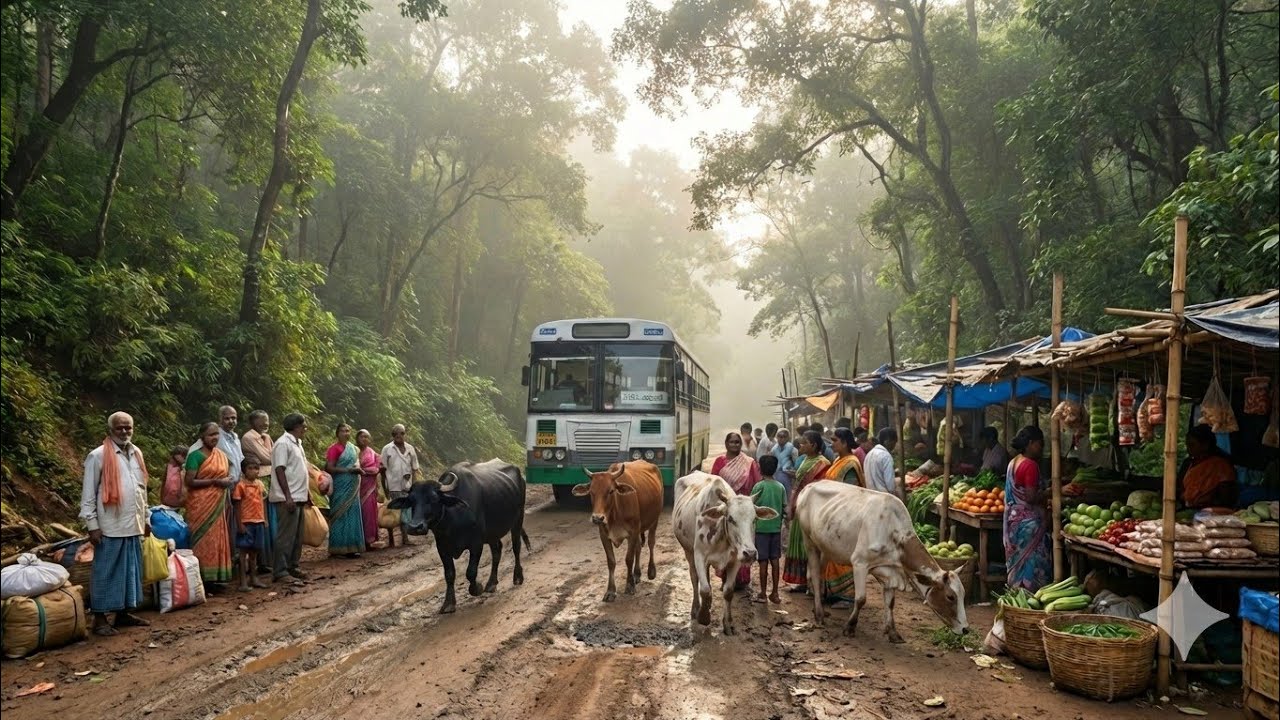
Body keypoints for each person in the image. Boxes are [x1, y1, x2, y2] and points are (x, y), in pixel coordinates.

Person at [79, 411, 151, 636]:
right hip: (110, 525)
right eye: (119, 428)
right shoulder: (97, 456)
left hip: (133, 523)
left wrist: (146, 518)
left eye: (128, 427)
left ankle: (123, 613)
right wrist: (92, 525)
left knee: (130, 571)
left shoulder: (136, 453)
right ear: (110, 429)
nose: (124, 432)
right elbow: (88, 494)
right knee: (105, 573)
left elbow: (142, 490)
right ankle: (99, 620)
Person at [185, 421, 235, 585]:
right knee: (201, 538)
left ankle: (216, 577)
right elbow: (190, 481)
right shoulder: (195, 455)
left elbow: (225, 476)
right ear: (202, 436)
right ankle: (199, 577)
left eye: (216, 434)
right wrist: (215, 481)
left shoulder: (220, 455)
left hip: (219, 501)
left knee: (217, 537)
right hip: (200, 504)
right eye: (211, 434)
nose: (215, 437)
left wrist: (226, 481)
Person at [712, 431, 762, 590]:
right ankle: (726, 579)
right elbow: (713, 484)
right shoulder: (719, 461)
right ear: (726, 444)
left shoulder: (749, 462)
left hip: (744, 508)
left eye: (737, 442)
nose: (735, 445)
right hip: (728, 509)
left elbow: (756, 483)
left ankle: (741, 580)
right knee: (725, 543)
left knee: (744, 540)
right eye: (732, 442)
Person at [782, 430, 831, 591]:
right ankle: (802, 581)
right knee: (798, 544)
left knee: (810, 548)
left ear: (814, 445)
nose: (800, 445)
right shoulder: (804, 460)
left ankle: (812, 583)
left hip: (812, 510)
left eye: (804, 442)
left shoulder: (822, 463)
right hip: (799, 508)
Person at [1004, 425, 1051, 591]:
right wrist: (1054, 491)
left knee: (1019, 561)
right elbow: (1031, 497)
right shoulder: (1030, 465)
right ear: (1031, 443)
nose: (1042, 447)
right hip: (1029, 525)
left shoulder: (1013, 462)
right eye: (1040, 443)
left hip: (1014, 522)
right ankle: (1032, 595)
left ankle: (1017, 593)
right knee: (1032, 562)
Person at [271, 413, 311, 583]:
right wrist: (288, 496)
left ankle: (293, 566)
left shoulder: (298, 443)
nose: (305, 429)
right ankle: (280, 571)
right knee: (286, 536)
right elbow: (280, 470)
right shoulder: (282, 443)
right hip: (288, 497)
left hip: (299, 495)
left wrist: (307, 493)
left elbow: (298, 470)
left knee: (297, 536)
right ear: (296, 427)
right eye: (303, 426)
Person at [241, 410, 275, 575]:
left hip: (268, 480)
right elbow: (267, 458)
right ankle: (260, 562)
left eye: (267, 420)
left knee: (268, 520)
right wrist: (271, 457)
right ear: (253, 422)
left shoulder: (267, 437)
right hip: (257, 481)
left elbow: (271, 456)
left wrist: (271, 457)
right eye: (262, 421)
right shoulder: (248, 438)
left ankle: (268, 560)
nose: (266, 424)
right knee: (258, 518)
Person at [325, 423, 365, 558]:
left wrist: (356, 470)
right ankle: (337, 549)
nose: (346, 433)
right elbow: (329, 468)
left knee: (353, 514)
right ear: (337, 433)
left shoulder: (354, 449)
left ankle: (351, 548)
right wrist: (349, 470)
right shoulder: (334, 449)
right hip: (340, 485)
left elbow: (357, 463)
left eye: (348, 431)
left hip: (353, 485)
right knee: (339, 514)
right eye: (343, 431)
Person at [751, 454, 786, 605]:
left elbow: (751, 506)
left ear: (760, 468)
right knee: (775, 561)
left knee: (763, 562)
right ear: (776, 468)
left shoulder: (758, 487)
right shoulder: (780, 487)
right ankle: (776, 593)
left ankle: (763, 594)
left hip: (761, 530)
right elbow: (784, 508)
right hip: (776, 529)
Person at [1178, 424, 1239, 508]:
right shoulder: (1188, 463)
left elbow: (1226, 498)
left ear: (1205, 445)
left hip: (1212, 513)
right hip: (1187, 510)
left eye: (1192, 445)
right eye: (1187, 445)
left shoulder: (1220, 465)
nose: (1188, 449)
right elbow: (1179, 487)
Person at [232, 458, 271, 591]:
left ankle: (254, 578)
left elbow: (263, 502)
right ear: (244, 470)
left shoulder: (260, 485)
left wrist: (264, 518)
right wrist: (240, 524)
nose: (254, 471)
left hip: (258, 521)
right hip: (246, 522)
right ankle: (243, 582)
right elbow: (237, 506)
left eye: (256, 468)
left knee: (255, 552)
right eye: (250, 468)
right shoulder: (240, 486)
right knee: (243, 553)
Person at [380, 424, 421, 547]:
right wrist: (385, 487)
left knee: (406, 512)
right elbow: (382, 470)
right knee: (393, 513)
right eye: (396, 434)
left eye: (402, 433)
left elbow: (414, 469)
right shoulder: (387, 449)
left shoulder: (410, 448)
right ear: (392, 435)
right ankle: (391, 539)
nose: (399, 436)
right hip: (392, 485)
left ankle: (405, 538)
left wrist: (414, 485)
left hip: (407, 485)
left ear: (405, 434)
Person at [356, 429, 381, 551]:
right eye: (361, 437)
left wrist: (366, 470)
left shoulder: (373, 453)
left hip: (369, 488)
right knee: (357, 514)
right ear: (357, 439)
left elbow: (377, 468)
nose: (364, 439)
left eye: (366, 437)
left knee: (369, 513)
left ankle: (369, 540)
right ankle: (358, 540)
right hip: (355, 487)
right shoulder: (353, 452)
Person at [864, 428, 899, 497]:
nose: (894, 446)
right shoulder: (886, 456)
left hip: (870, 496)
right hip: (884, 498)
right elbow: (890, 486)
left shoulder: (869, 454)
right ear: (888, 441)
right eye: (894, 442)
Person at [771, 428, 798, 497]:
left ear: (788, 438)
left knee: (788, 496)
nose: (782, 439)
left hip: (789, 477)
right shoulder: (773, 450)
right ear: (777, 437)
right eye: (780, 436)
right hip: (776, 476)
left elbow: (796, 464)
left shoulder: (793, 450)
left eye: (784, 437)